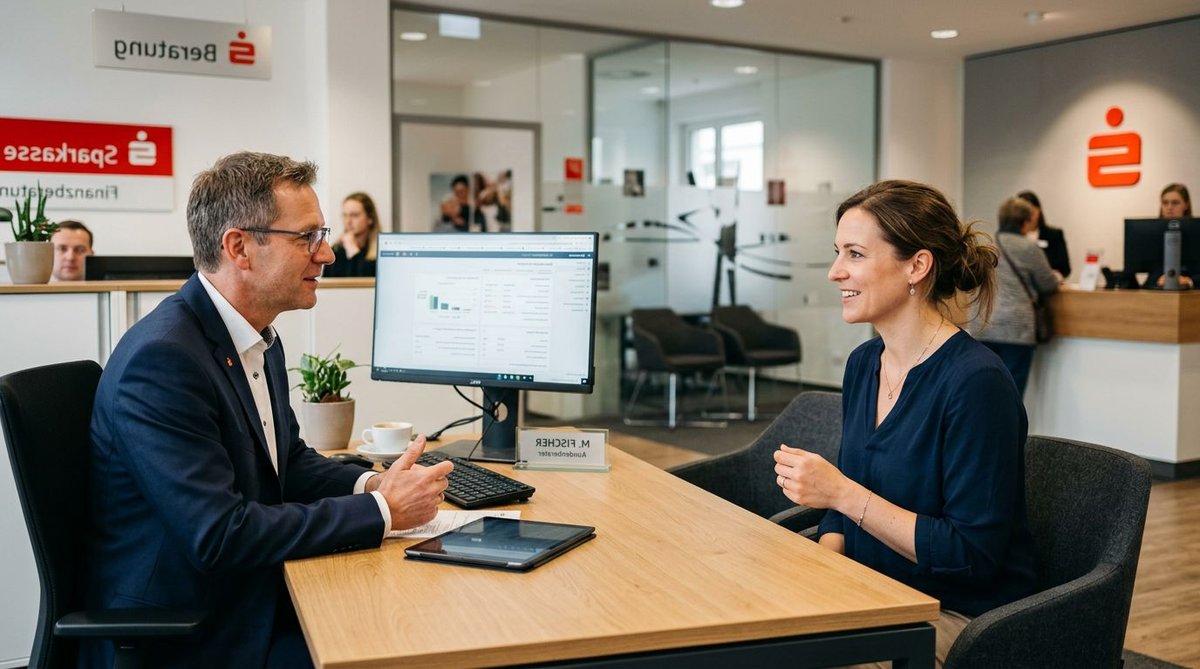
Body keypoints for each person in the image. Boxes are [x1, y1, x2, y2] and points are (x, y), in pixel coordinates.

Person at [84, 152, 453, 668]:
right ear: (239, 247)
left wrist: (372, 485)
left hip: (249, 592)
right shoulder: (163, 360)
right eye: (307, 238)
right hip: (197, 628)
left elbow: (288, 462)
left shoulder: (257, 337)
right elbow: (221, 534)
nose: (325, 255)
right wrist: (384, 513)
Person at [773, 180, 1037, 667]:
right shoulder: (863, 364)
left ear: (917, 265)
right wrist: (819, 579)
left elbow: (970, 554)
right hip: (873, 592)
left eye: (854, 254)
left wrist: (840, 494)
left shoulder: (977, 384)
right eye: (837, 253)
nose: (835, 272)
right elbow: (844, 504)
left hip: (954, 615)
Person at [972, 197, 1060, 395]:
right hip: (1015, 328)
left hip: (982, 324)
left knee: (982, 391)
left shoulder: (986, 245)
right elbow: (1048, 284)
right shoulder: (1028, 248)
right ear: (1026, 221)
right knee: (1011, 394)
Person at [1016, 190, 1070, 279]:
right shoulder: (1011, 239)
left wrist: (1054, 278)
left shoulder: (1054, 235)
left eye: (1032, 212)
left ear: (1039, 210)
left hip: (1049, 287)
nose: (1029, 218)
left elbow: (1065, 269)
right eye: (1025, 214)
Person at [324, 191, 378, 277]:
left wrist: (353, 252)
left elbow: (367, 285)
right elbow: (330, 286)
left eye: (354, 215)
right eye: (345, 215)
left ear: (370, 218)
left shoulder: (380, 251)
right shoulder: (336, 250)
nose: (348, 221)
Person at [1152, 183, 1194, 288]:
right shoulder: (1153, 235)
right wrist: (1159, 280)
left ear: (1186, 205)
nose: (1169, 207)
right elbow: (1150, 274)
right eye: (1165, 203)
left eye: (1175, 203)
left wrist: (1190, 281)